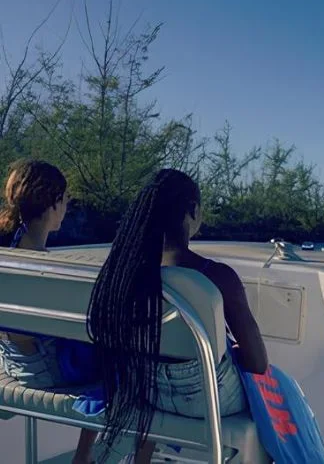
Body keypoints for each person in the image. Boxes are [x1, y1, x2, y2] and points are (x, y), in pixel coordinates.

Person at [87, 168, 268, 463]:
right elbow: (258, 363)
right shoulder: (217, 276)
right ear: (192, 210)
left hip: (148, 391)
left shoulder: (124, 274)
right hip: (209, 399)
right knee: (275, 393)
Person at [0, 159, 99, 464]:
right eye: (65, 199)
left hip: (12, 363)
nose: (66, 206)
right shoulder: (48, 268)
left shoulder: (6, 255)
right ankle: (84, 456)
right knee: (126, 364)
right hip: (46, 372)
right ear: (53, 203)